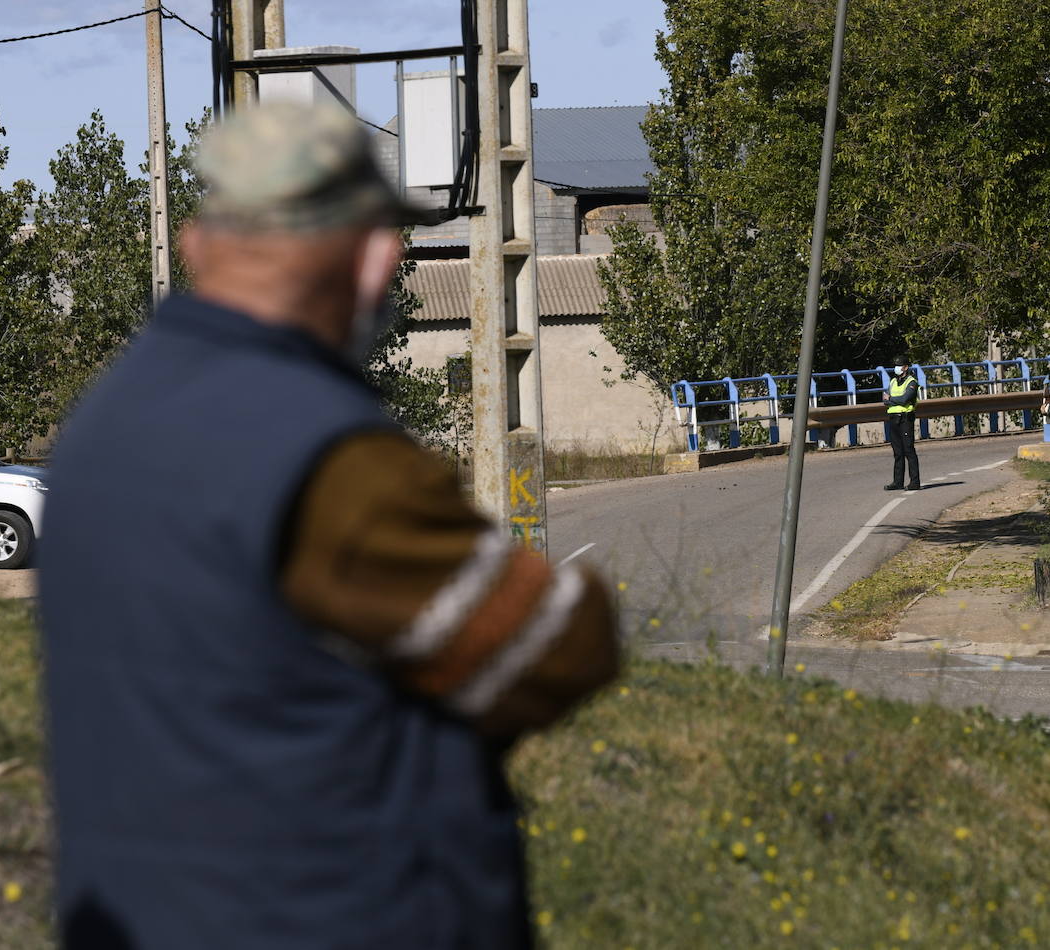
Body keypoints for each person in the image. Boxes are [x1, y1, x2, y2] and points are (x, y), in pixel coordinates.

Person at [39, 102, 620, 950]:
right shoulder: (325, 452)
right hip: (326, 914)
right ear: (376, 258)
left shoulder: (106, 420)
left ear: (198, 244)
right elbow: (554, 646)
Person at [883, 355, 921, 491]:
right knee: (897, 452)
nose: (896, 368)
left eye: (899, 365)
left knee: (908, 450)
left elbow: (905, 399)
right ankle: (898, 482)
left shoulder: (912, 382)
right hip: (893, 418)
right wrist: (892, 399)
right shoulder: (893, 381)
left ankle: (915, 482)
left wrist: (891, 398)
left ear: (905, 367)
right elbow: (885, 399)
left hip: (905, 419)